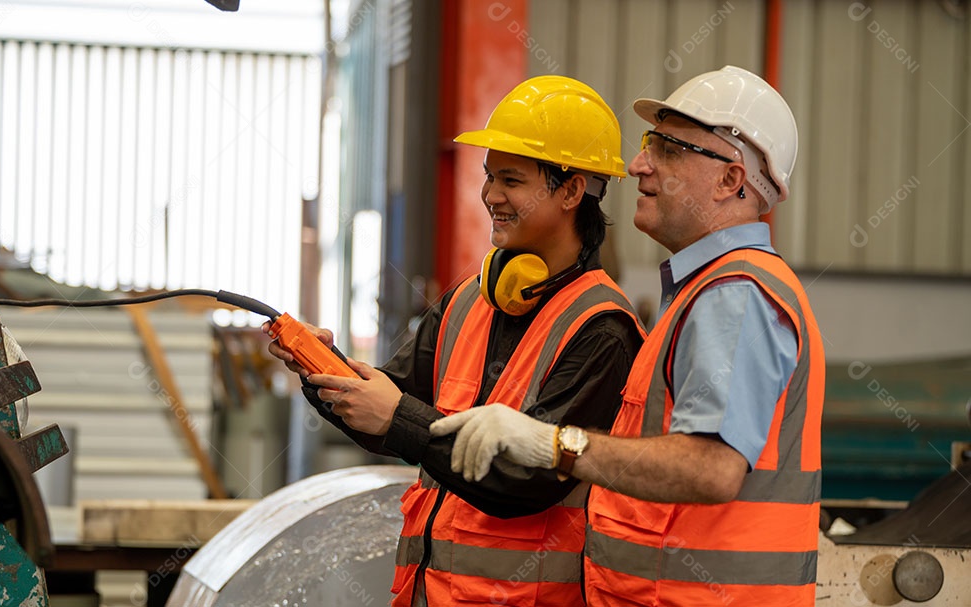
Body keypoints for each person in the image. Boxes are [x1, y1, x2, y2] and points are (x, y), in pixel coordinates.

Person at [432, 65, 825, 606]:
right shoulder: (709, 291)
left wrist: (554, 444)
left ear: (730, 180)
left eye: (668, 150)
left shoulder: (735, 294)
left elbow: (712, 469)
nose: (639, 165)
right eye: (648, 145)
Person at [264, 75, 645, 607]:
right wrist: (319, 365)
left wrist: (397, 416)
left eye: (511, 180)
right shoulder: (468, 301)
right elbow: (386, 412)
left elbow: (524, 479)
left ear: (571, 191)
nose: (490, 195)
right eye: (489, 176)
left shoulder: (603, 330)